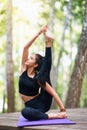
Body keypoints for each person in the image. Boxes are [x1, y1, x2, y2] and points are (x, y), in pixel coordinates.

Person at [19, 25, 67, 121]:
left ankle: (48, 43)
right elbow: (25, 48)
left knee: (43, 75)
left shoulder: (38, 78)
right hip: (31, 106)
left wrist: (62, 109)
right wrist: (39, 32)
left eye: (31, 58)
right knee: (25, 112)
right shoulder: (23, 69)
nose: (28, 58)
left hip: (43, 102)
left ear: (35, 65)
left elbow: (53, 92)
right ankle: (48, 42)